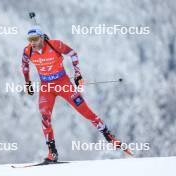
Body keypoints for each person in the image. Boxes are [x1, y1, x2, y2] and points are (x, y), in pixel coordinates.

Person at [21, 26, 122, 162]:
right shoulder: (27, 51)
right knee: (44, 115)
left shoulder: (55, 45)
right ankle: (52, 152)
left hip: (63, 83)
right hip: (46, 87)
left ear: (41, 38)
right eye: (29, 39)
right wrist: (27, 83)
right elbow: (24, 66)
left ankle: (108, 135)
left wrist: (77, 74)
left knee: (84, 110)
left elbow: (73, 54)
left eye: (34, 39)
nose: (32, 42)